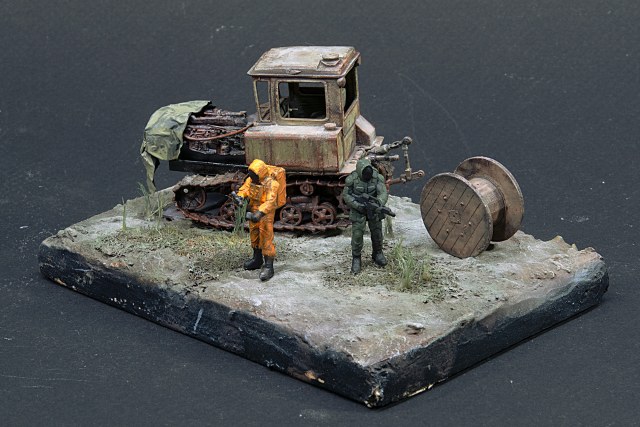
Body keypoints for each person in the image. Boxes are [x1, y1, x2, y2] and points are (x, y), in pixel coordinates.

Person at [342, 158, 390, 274]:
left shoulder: (377, 178)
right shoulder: (352, 180)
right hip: (358, 211)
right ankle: (356, 258)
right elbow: (346, 195)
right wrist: (357, 206)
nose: (368, 176)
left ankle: (378, 253)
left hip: (374, 211)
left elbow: (383, 193)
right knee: (357, 235)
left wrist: (378, 203)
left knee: (377, 233)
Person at [235, 159, 280, 281]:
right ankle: (257, 259)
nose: (251, 177)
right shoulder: (251, 180)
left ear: (260, 174)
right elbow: (245, 189)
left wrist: (259, 213)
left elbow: (271, 201)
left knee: (266, 237)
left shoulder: (272, 184)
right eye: (251, 174)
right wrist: (240, 197)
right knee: (254, 234)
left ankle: (268, 266)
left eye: (254, 175)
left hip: (265, 213)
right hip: (253, 208)